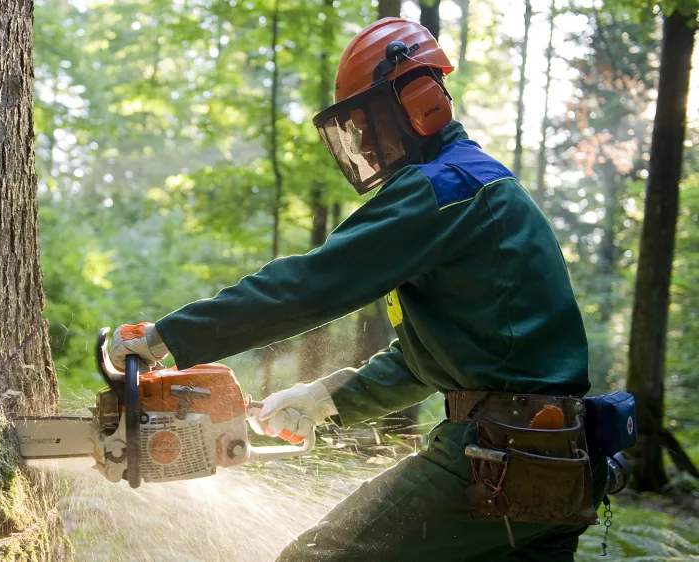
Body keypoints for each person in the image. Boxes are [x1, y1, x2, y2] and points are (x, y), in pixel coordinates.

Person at [107, 17, 606, 561]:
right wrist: (326, 398)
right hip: (562, 457)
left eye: (367, 121)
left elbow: (312, 286)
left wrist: (166, 338)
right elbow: (431, 362)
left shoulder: (443, 190)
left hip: (499, 454)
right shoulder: (474, 186)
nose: (363, 140)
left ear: (418, 101)